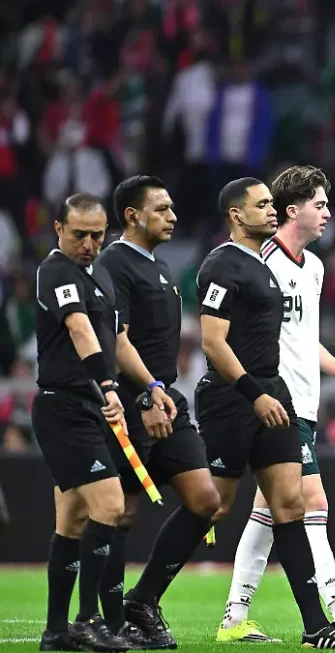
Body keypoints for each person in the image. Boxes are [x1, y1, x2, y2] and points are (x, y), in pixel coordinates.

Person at [196, 178, 335, 648]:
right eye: (320, 204)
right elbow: (237, 337)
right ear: (293, 210)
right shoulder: (261, 260)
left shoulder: (313, 267)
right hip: (270, 399)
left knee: (271, 509)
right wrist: (253, 390)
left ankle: (235, 616)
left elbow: (303, 338)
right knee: (311, 502)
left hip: (302, 401)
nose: (328, 212)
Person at [32, 193, 174, 652]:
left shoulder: (101, 276)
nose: (89, 244)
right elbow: (79, 329)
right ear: (59, 229)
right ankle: (87, 620)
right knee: (111, 505)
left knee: (72, 520)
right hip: (65, 407)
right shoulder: (56, 271)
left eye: (97, 235)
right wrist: (110, 388)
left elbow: (117, 342)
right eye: (79, 235)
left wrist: (150, 385)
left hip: (89, 408)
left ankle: (56, 632)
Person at [94, 176, 221, 649]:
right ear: (132, 215)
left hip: (165, 396)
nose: (172, 216)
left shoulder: (161, 266)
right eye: (162, 209)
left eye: (171, 207)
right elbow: (116, 340)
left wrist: (159, 392)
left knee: (205, 500)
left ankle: (142, 601)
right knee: (121, 512)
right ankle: (111, 623)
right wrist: (146, 395)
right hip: (130, 401)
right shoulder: (113, 263)